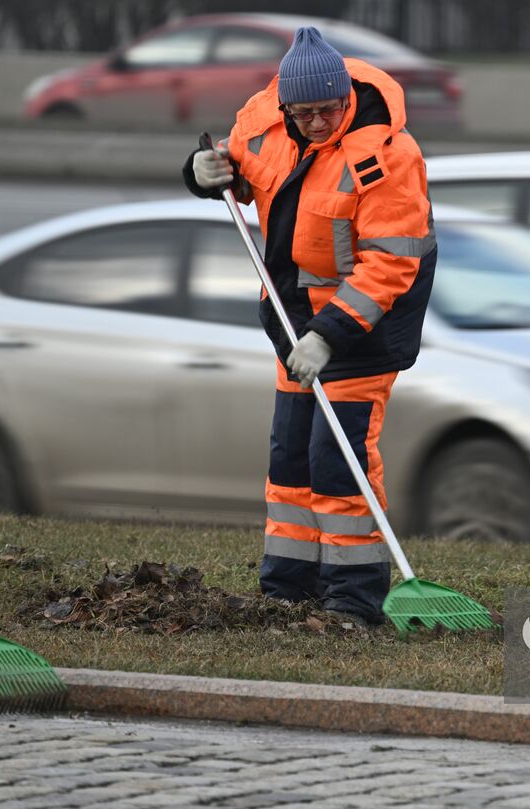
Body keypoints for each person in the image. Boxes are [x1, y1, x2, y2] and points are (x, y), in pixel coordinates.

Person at [183, 26, 435, 628]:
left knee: (338, 461)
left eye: (329, 110)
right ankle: (288, 589)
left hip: (362, 326)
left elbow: (390, 263)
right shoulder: (264, 122)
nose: (318, 123)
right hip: (293, 319)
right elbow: (237, 175)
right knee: (291, 457)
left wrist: (329, 335)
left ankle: (354, 599)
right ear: (285, 107)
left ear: (346, 96)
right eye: (305, 113)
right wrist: (201, 173)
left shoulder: (387, 158)